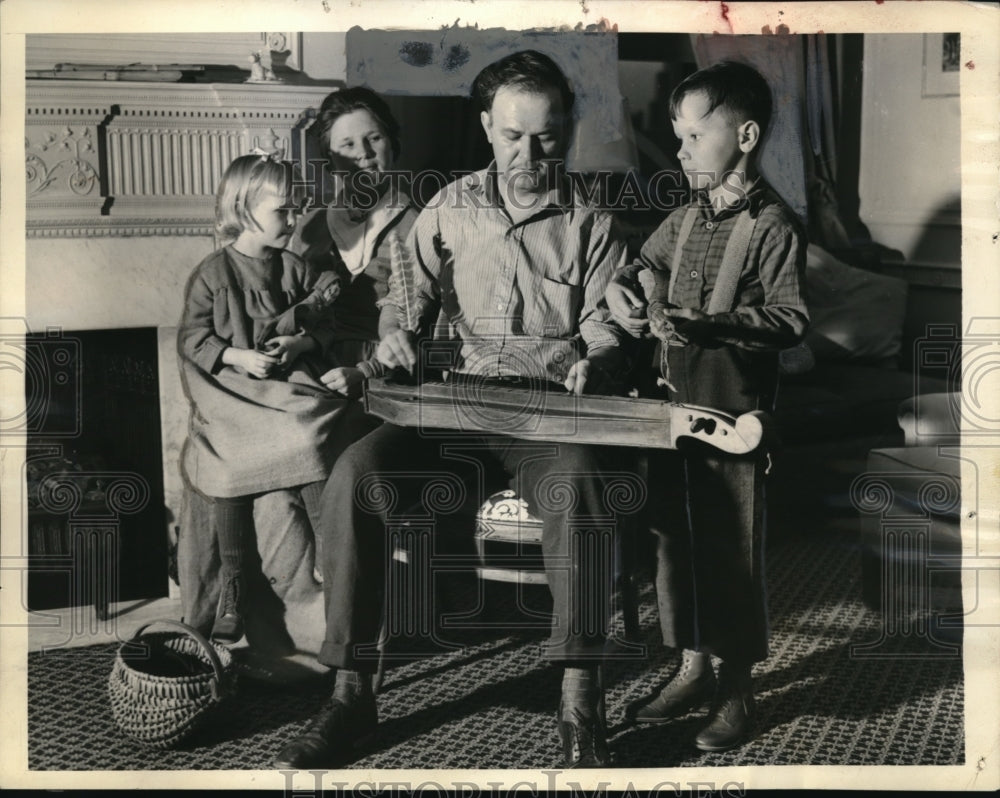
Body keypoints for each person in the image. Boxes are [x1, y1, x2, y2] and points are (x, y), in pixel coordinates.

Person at [274, 50, 633, 770]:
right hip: (456, 403)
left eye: (547, 136)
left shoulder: (593, 223)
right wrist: (400, 329)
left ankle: (579, 704)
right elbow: (407, 296)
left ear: (569, 129)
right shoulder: (447, 209)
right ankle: (350, 693)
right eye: (511, 136)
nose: (528, 154)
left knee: (581, 486)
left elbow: (608, 322)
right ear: (486, 129)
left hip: (547, 413)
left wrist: (601, 356)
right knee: (357, 476)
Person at [605, 61, 809, 751]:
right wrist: (627, 292)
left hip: (736, 414)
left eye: (694, 136)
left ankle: (736, 686)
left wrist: (713, 323)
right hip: (673, 408)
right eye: (679, 137)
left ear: (745, 135)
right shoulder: (685, 215)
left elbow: (791, 320)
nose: (682, 151)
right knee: (674, 540)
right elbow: (640, 267)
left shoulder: (774, 224)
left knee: (731, 549)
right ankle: (690, 666)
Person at [178, 153, 365, 644]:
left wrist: (300, 342)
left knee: (311, 428)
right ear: (243, 208)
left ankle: (332, 557)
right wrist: (238, 357)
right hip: (232, 390)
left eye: (296, 208)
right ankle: (234, 586)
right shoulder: (213, 274)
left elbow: (327, 315)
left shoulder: (292, 268)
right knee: (225, 465)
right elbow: (192, 340)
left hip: (284, 385)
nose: (293, 219)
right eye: (283, 210)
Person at [289, 86, 420, 401]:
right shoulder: (310, 224)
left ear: (392, 144)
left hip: (382, 371)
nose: (363, 152)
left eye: (374, 138)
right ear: (331, 160)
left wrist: (367, 372)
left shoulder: (419, 225)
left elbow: (418, 327)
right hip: (313, 356)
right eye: (347, 144)